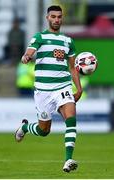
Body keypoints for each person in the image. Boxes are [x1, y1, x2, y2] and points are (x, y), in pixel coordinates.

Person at [15, 5, 82, 173]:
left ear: (62, 18)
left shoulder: (68, 41)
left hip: (63, 86)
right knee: (43, 130)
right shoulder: (40, 37)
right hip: (44, 91)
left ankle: (68, 160)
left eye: (59, 16)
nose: (56, 19)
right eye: (53, 16)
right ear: (47, 18)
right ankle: (24, 128)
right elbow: (30, 51)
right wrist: (27, 56)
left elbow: (73, 68)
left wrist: (78, 89)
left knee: (71, 118)